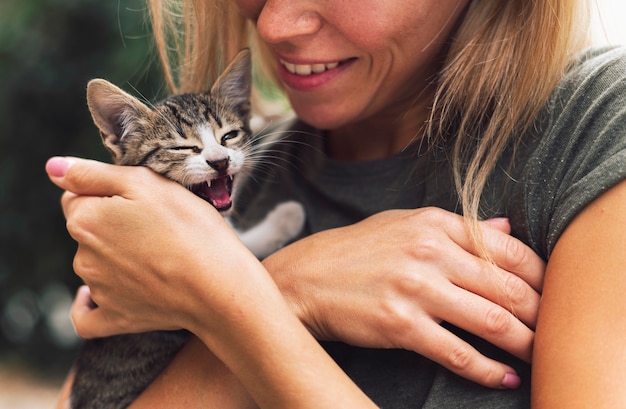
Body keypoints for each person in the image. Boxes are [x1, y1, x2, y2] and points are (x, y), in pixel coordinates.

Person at [46, 0, 626, 407]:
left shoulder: (598, 131)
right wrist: (286, 291)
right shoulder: (245, 180)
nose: (275, 24)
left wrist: (242, 307)